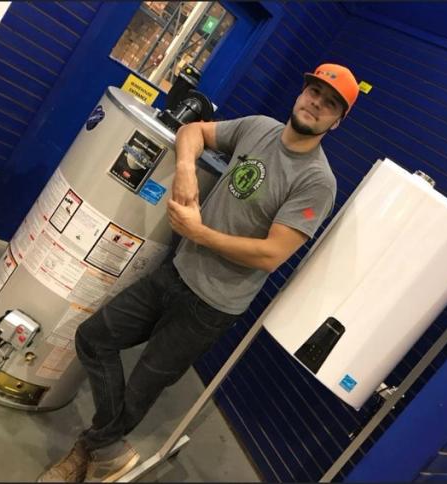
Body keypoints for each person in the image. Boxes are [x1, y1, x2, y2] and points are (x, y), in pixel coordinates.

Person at [37, 63, 359, 483]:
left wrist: (200, 233)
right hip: (175, 270)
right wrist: (187, 170)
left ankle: (87, 450)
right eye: (314, 91)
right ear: (302, 93)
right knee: (94, 338)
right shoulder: (258, 127)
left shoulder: (317, 181)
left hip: (212, 304)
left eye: (330, 103)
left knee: (141, 390)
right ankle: (109, 450)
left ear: (336, 121)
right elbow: (194, 132)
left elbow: (270, 254)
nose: (317, 103)